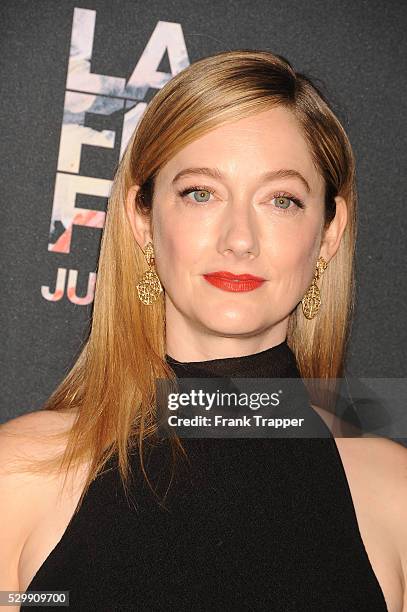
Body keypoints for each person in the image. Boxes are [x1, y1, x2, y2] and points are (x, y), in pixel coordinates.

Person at [0, 49, 406, 611]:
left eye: (281, 200)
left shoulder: (394, 497)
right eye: (201, 193)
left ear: (329, 234)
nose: (239, 237)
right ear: (141, 218)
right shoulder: (20, 474)